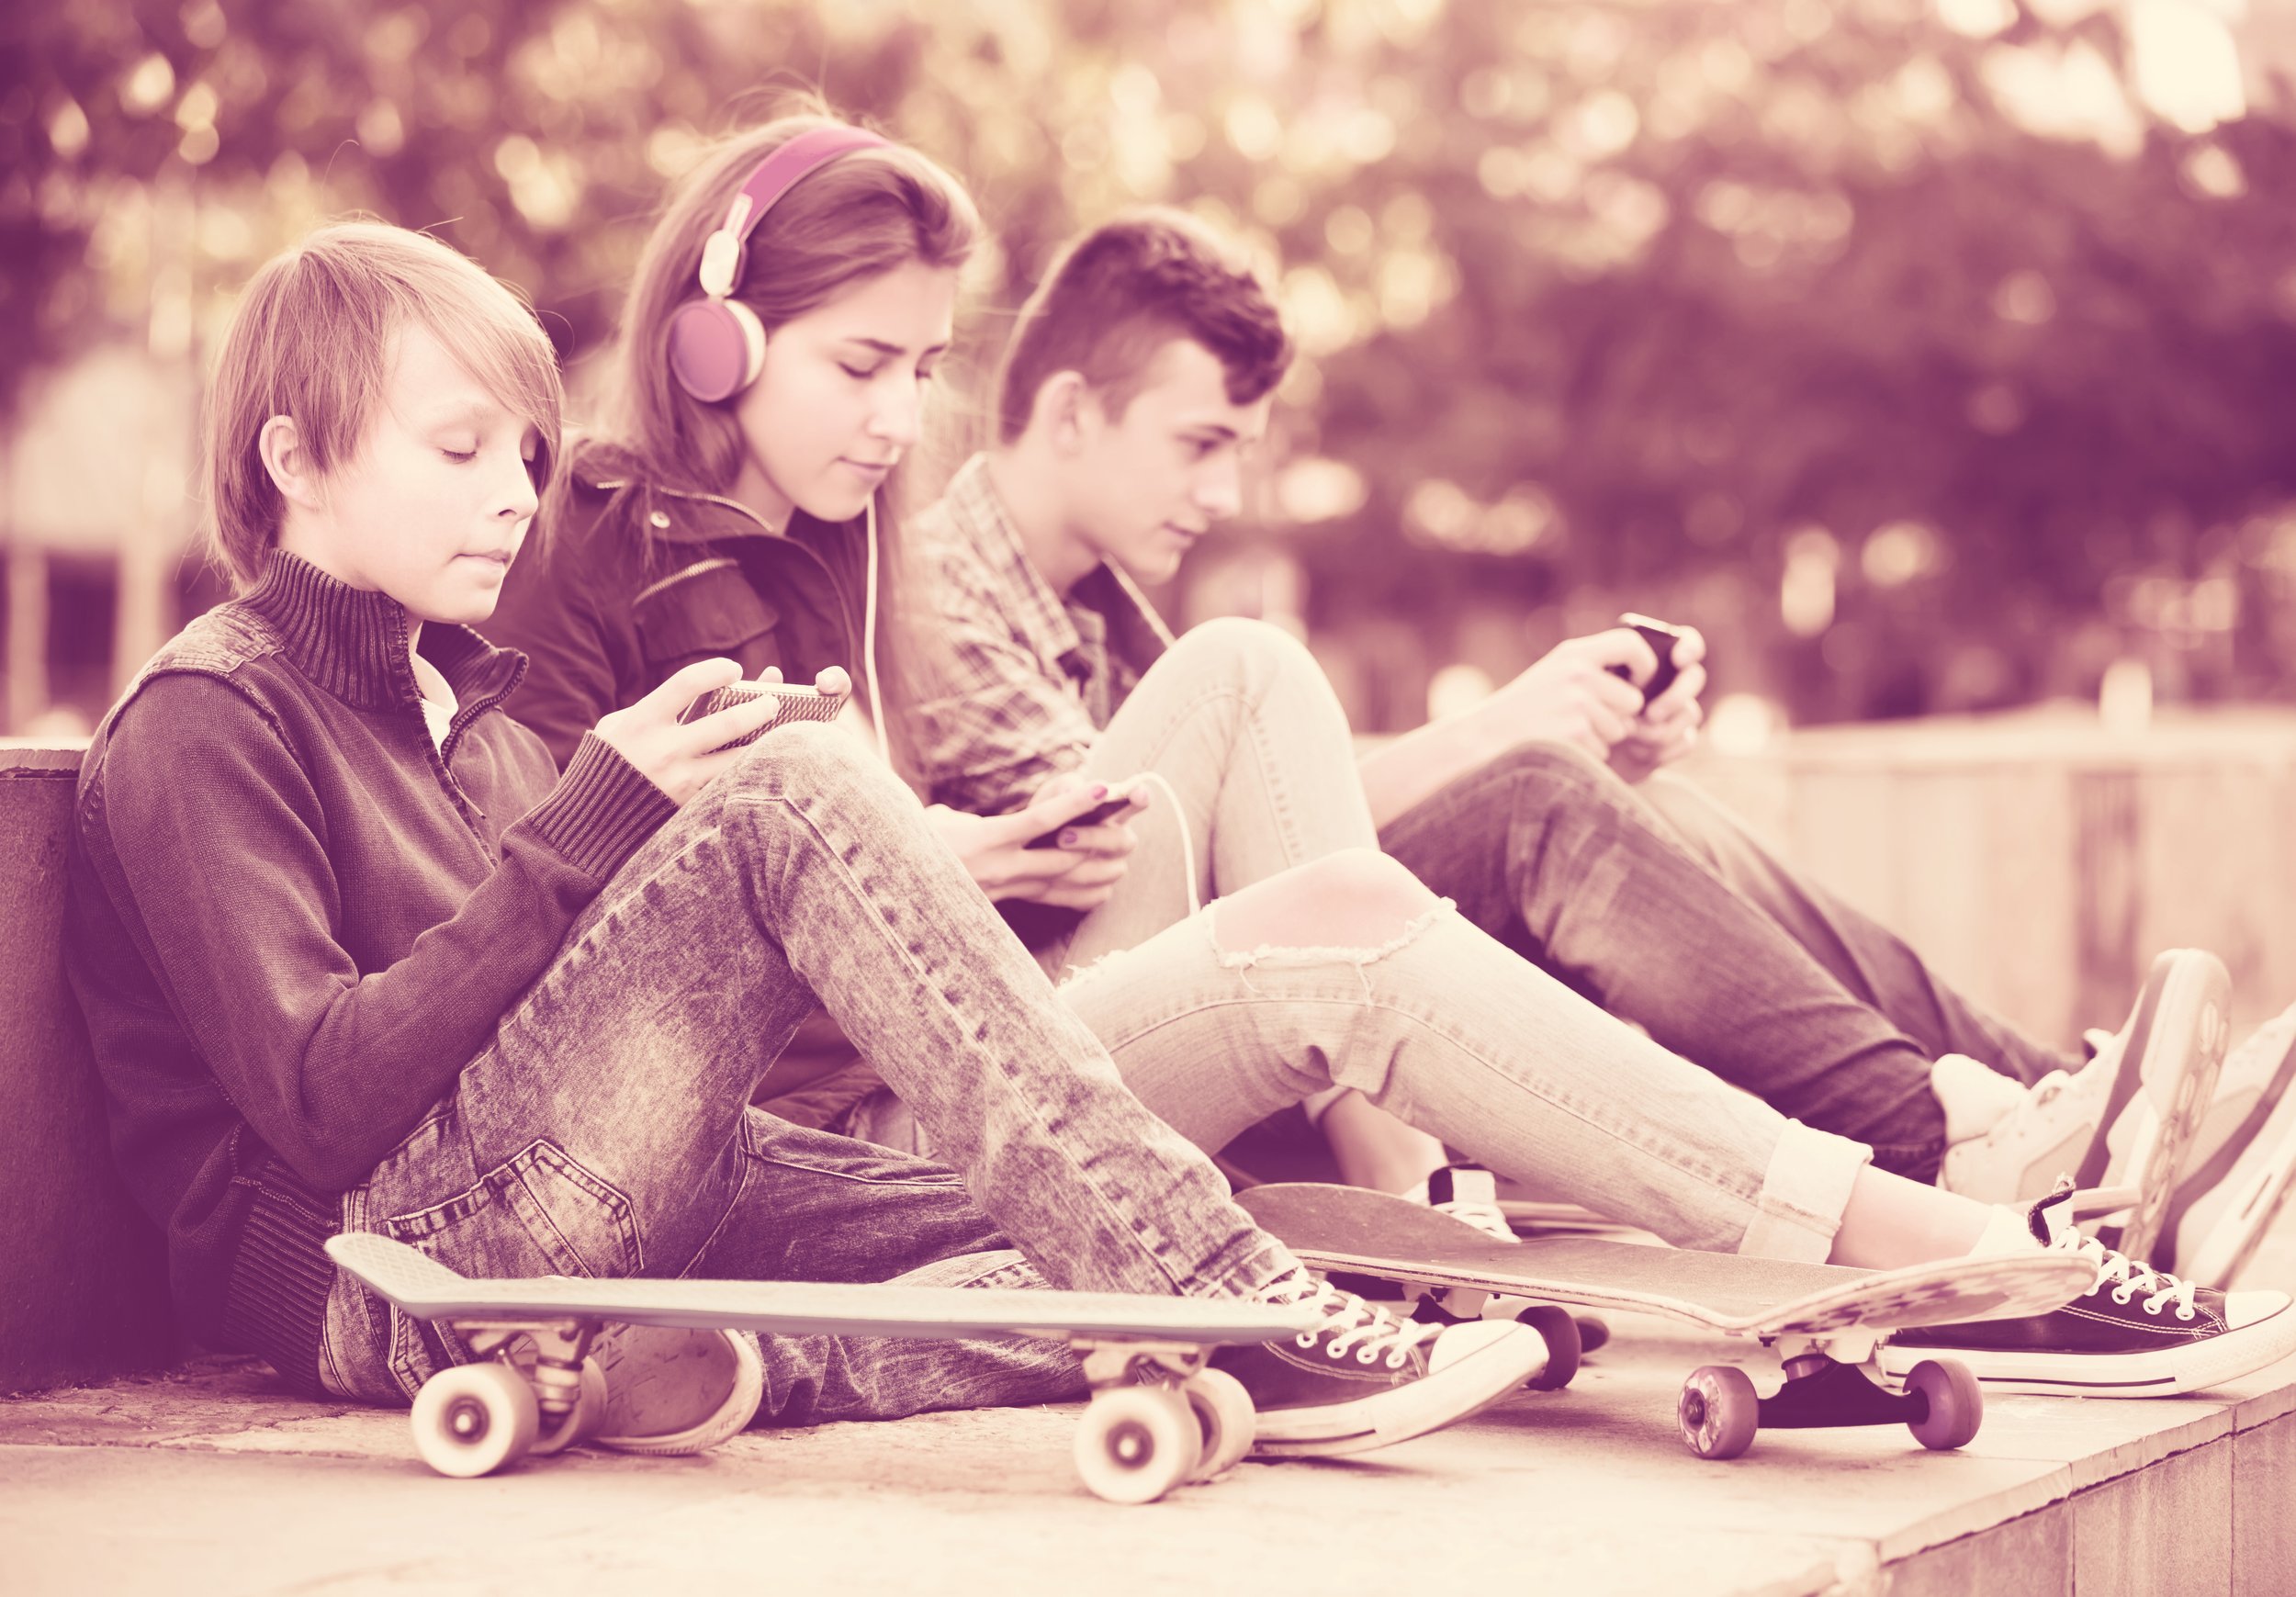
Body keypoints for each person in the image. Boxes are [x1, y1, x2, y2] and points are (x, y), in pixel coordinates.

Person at [483, 110, 2295, 1398]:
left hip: (957, 1050)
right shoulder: (649, 541)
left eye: (916, 370)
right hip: (864, 1140)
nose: (897, 417)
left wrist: (993, 854)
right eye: (859, 367)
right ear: (715, 342)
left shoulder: (801, 546)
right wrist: (966, 862)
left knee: (1254, 670)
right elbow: (729, 917)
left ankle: (1417, 1209)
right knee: (1376, 895)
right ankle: (1925, 1228)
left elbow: (834, 867)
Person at [62, 218, 1573, 1465]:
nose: (517, 495)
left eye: (525, 452)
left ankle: (727, 1366)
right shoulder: (206, 720)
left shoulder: (464, 709)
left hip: (560, 1210)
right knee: (794, 789)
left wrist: (652, 827)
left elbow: (553, 1030)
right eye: (460, 451)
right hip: (378, 1272)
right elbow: (324, 1107)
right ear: (293, 460)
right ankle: (1244, 1311)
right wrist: (606, 820)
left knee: (1069, 1219)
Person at [895, 205, 2296, 1295]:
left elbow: (1270, 813)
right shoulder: (947, 592)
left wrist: (1542, 740)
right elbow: (1150, 885)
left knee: (1633, 805)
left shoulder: (1099, 606)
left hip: (1254, 1009)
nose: (1224, 492)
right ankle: (1986, 1147)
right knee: (1531, 800)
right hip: (1127, 1060)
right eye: (1200, 444)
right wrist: (1498, 731)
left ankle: (2046, 1113)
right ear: (1071, 412)